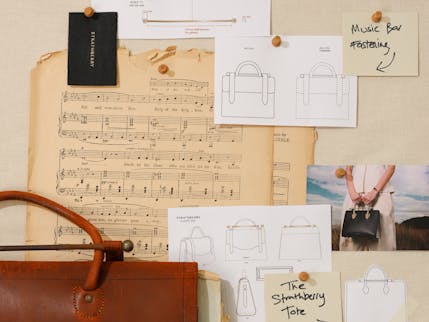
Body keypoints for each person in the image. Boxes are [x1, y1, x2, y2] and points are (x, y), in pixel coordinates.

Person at [340, 165, 396, 251]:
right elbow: (348, 168)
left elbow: (391, 166)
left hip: (381, 195)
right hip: (354, 195)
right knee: (349, 246)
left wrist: (374, 191)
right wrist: (351, 191)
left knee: (383, 246)